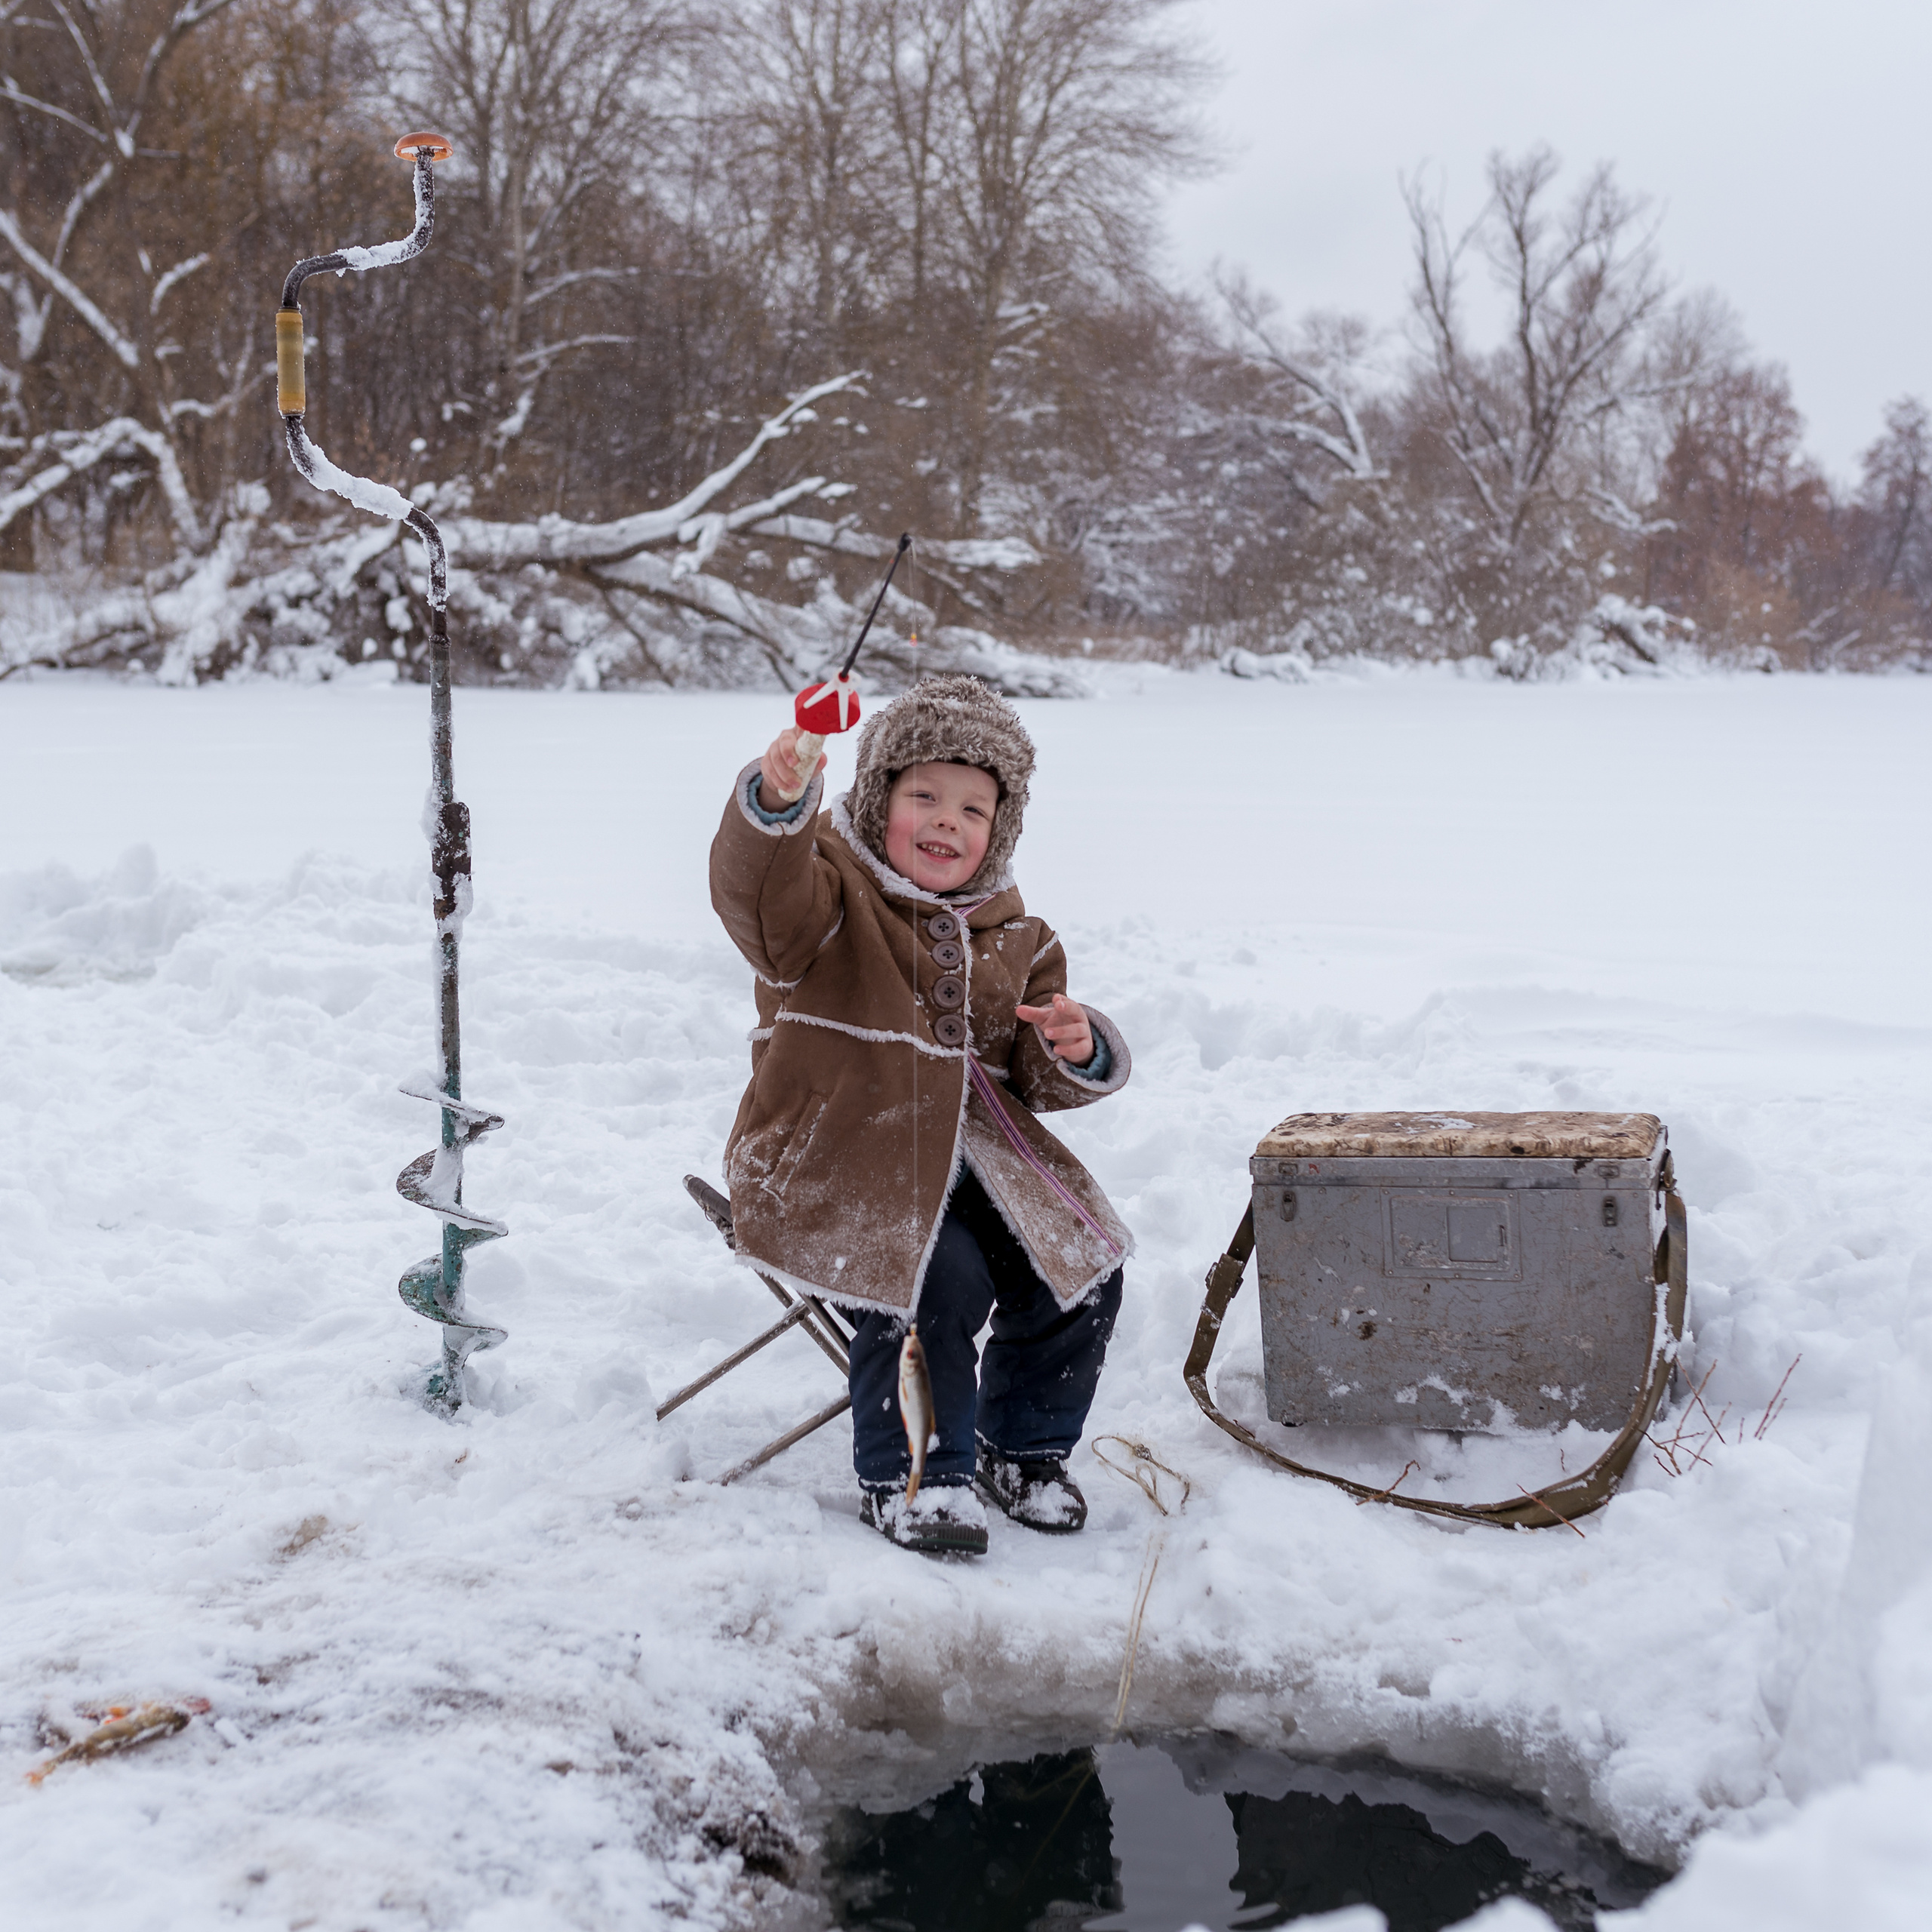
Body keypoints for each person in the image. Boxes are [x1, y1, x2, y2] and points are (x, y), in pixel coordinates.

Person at [709, 673, 1134, 1555]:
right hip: (831, 1161)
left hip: (972, 1162)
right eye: (924, 796)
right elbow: (759, 898)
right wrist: (776, 807)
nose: (947, 821)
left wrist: (1071, 1044)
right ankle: (919, 1476)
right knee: (938, 1279)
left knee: (1082, 1263)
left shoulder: (1020, 937)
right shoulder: (825, 901)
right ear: (876, 800)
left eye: (974, 809)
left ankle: (1021, 1448)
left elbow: (1032, 1074)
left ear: (999, 831)